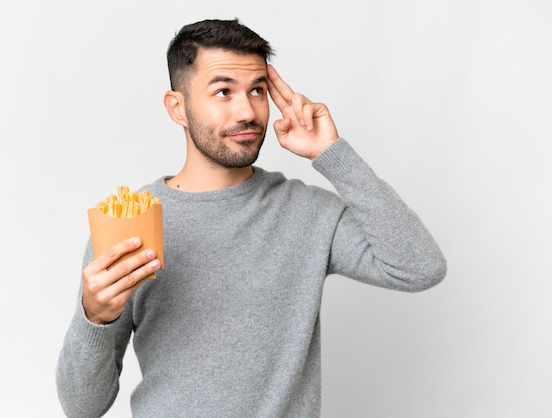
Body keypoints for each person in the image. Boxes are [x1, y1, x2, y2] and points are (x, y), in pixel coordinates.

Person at [56, 18, 447, 417]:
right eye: (223, 91)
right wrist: (95, 317)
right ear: (178, 107)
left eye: (257, 90)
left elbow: (419, 268)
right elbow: (82, 407)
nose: (247, 110)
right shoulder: (131, 223)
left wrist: (331, 154)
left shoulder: (307, 212)